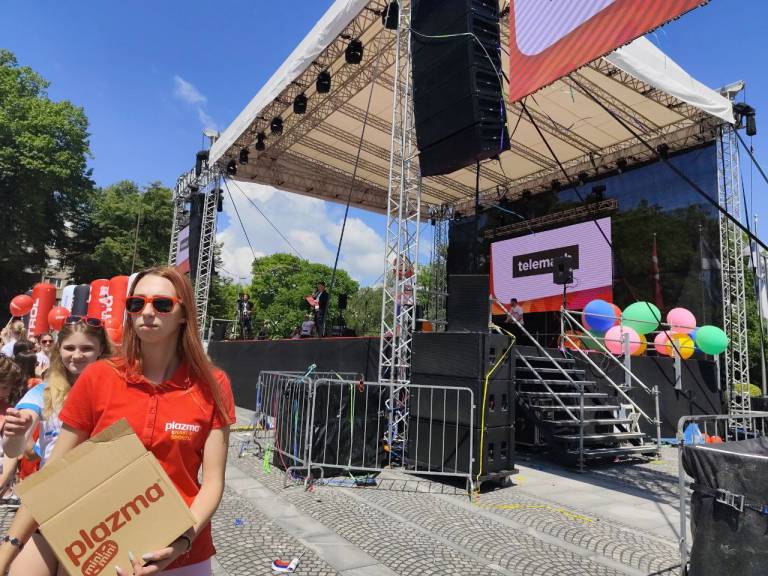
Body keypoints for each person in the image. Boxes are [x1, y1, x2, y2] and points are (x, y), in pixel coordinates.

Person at [0, 266, 235, 576]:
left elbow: (213, 481)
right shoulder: (100, 376)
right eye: (137, 303)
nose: (147, 312)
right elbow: (54, 473)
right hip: (98, 543)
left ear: (183, 314)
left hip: (182, 551)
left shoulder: (212, 383)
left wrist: (182, 541)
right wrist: (7, 550)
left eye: (162, 304)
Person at [1, 317, 113, 574]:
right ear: (58, 350)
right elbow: (14, 449)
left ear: (101, 350)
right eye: (69, 348)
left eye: (86, 348)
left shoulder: (115, 391)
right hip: (49, 501)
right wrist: (16, 431)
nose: (77, 355)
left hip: (97, 507)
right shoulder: (44, 391)